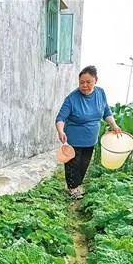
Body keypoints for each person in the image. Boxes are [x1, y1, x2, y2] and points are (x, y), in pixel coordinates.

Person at [55, 65, 121, 198]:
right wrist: (61, 131)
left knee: (84, 165)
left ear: (95, 80)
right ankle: (72, 189)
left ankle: (76, 186)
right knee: (73, 165)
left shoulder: (100, 93)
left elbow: (106, 112)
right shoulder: (72, 98)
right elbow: (60, 118)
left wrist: (114, 125)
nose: (84, 85)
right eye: (81, 82)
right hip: (74, 140)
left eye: (88, 82)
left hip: (91, 140)